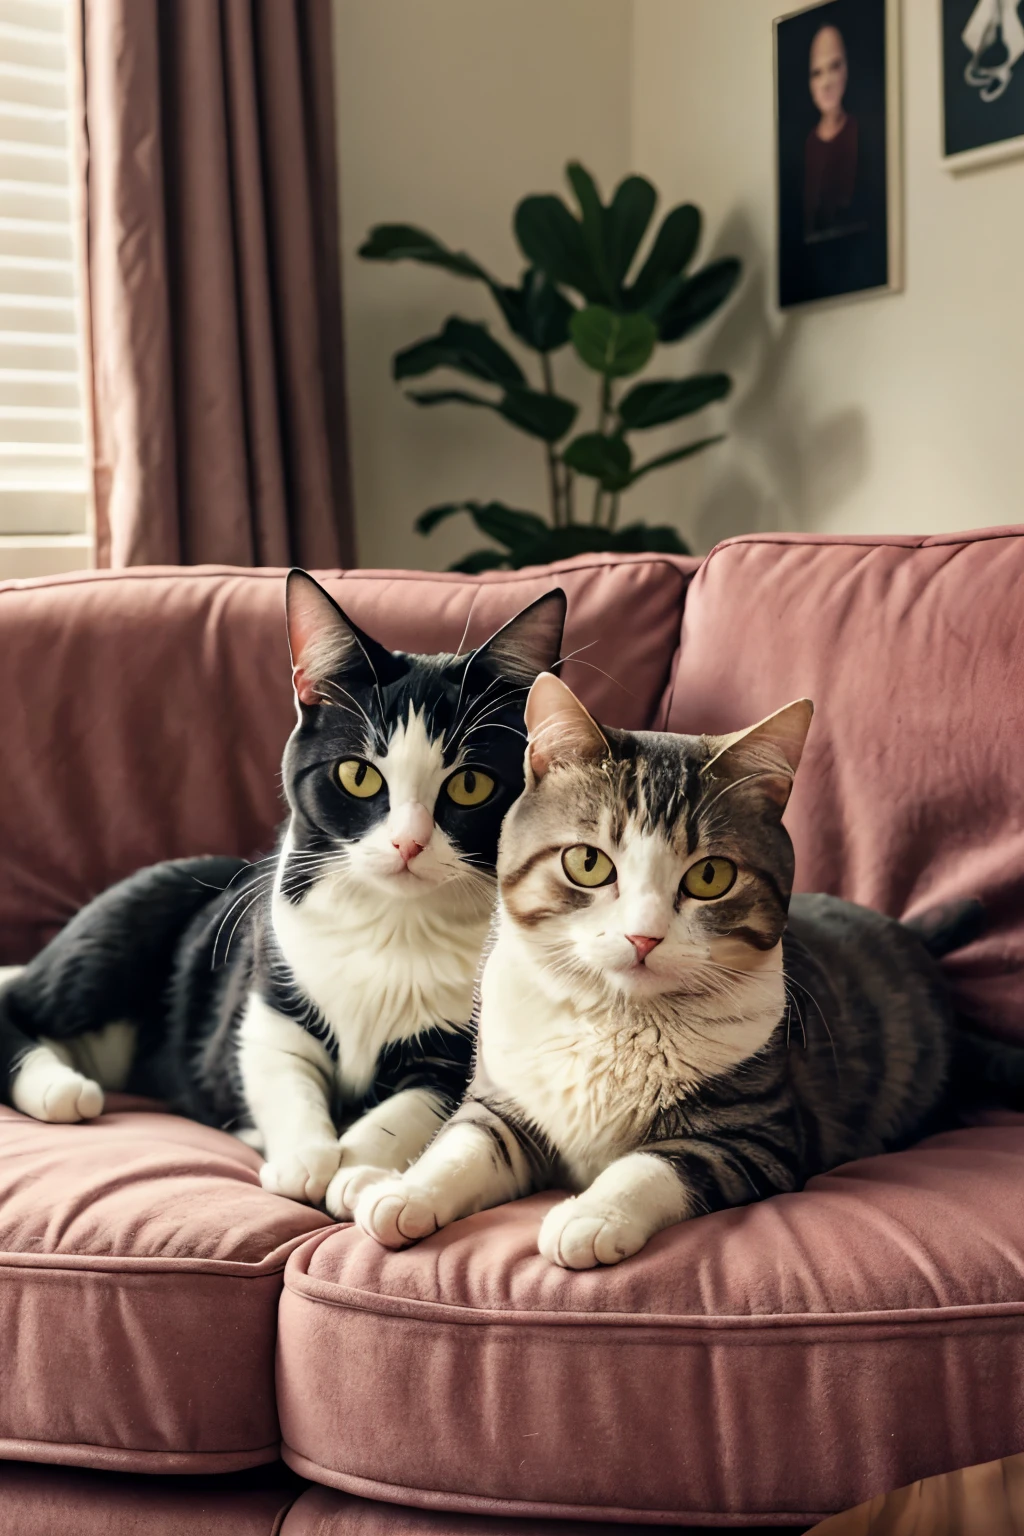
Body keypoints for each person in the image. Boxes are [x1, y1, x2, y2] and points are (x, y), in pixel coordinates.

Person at [804, 24, 861, 240]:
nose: (826, 82)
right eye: (817, 73)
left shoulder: (859, 134)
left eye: (834, 67)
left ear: (846, 71)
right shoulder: (807, 146)